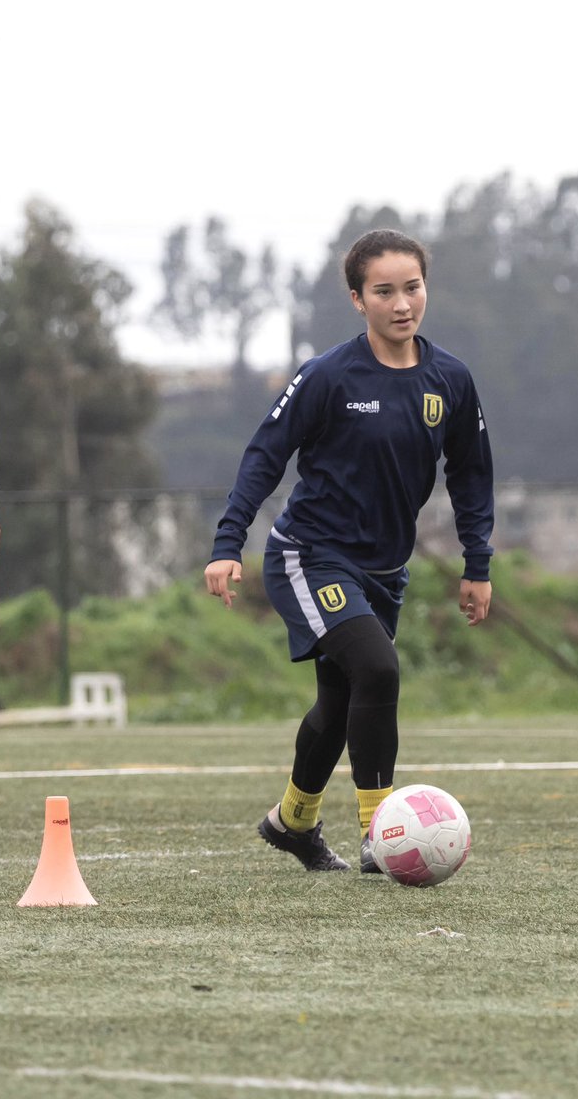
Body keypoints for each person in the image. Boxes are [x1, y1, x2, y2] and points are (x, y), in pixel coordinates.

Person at [204, 229, 493, 872]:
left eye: (412, 287)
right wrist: (228, 544)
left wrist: (478, 563)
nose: (401, 304)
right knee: (380, 670)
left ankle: (293, 823)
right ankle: (379, 833)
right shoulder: (328, 375)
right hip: (309, 556)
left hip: (385, 571)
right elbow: (264, 457)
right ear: (357, 298)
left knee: (339, 702)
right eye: (383, 291)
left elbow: (472, 473)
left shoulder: (450, 378)